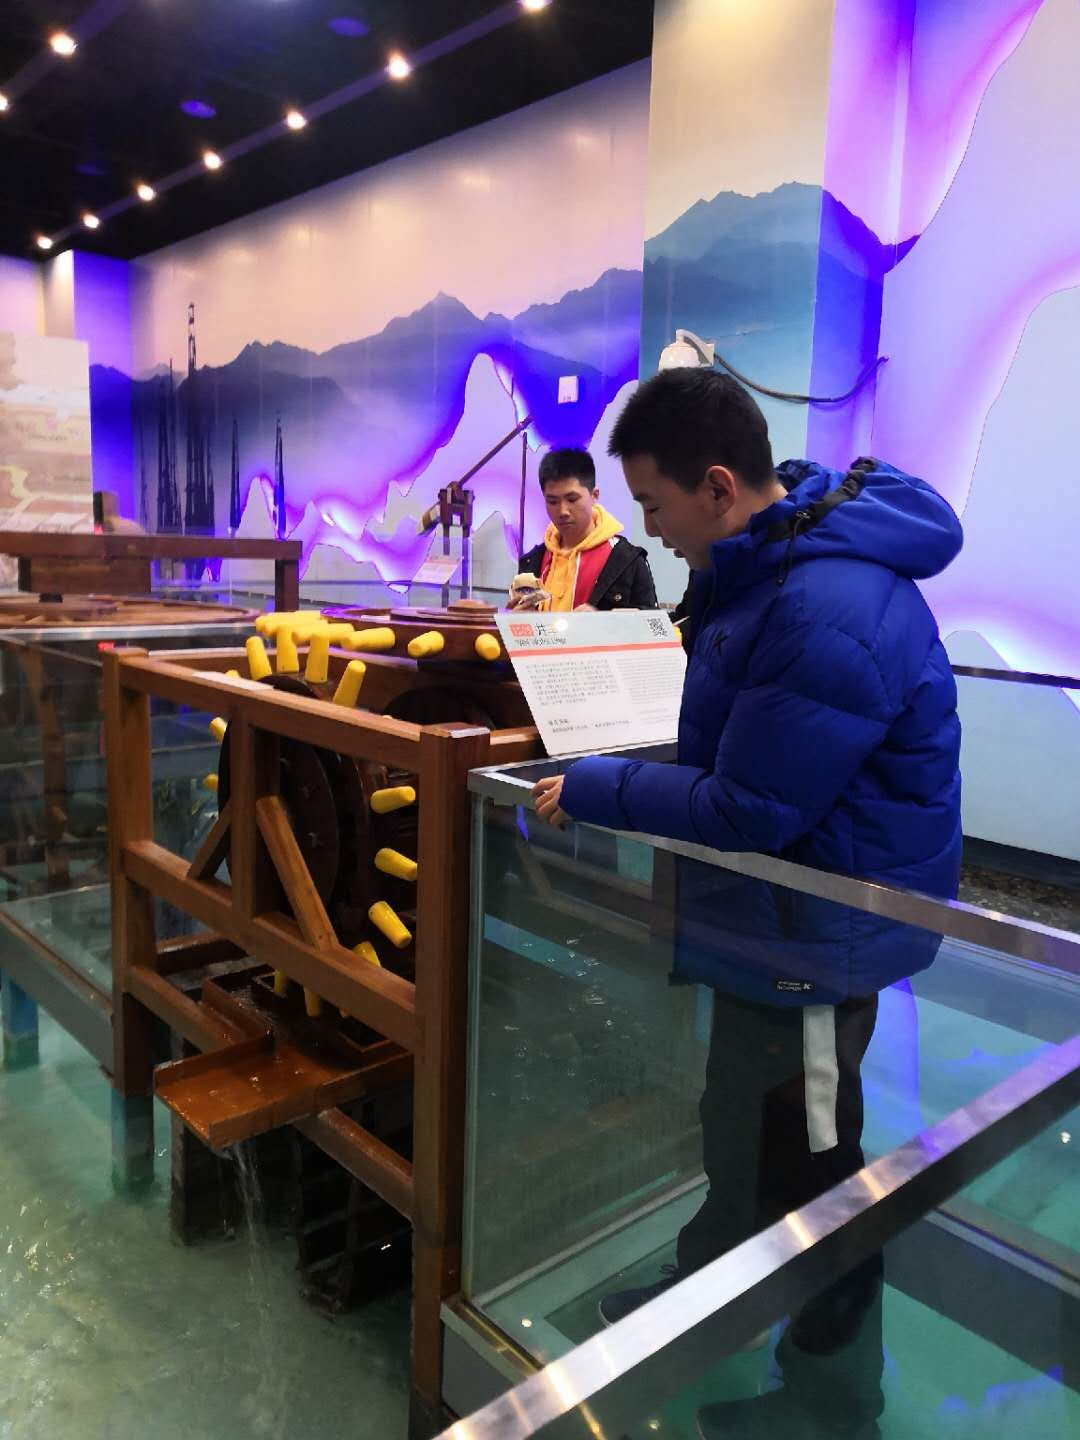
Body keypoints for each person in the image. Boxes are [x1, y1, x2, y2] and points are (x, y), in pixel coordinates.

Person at [532, 369, 963, 1440]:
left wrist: (594, 784)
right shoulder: (772, 568)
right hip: (765, 928)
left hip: (815, 940)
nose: (652, 530)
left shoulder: (825, 606)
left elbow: (752, 805)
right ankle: (706, 1297)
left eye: (656, 506)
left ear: (718, 487)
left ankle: (830, 1396)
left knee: (814, 1168)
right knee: (739, 1126)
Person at [511, 446, 657, 611]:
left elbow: (651, 622)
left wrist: (603, 621)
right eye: (552, 502)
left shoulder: (627, 560)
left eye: (572, 499)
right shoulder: (532, 561)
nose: (562, 511)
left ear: (594, 495)